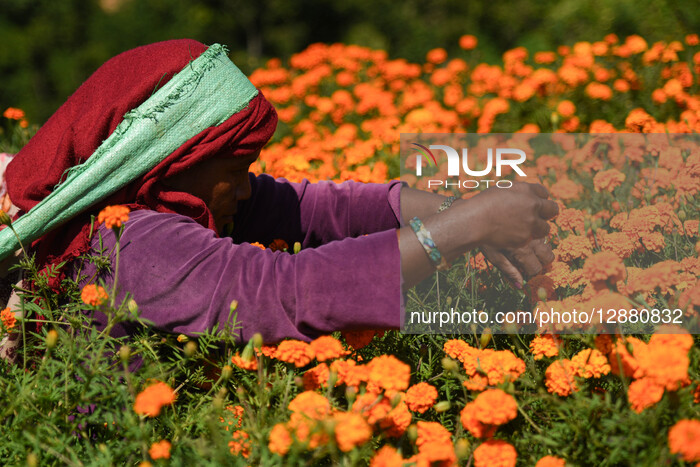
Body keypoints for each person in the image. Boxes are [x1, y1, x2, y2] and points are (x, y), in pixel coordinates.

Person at [0, 39, 557, 349]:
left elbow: (311, 206)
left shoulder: (168, 197)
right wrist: (465, 228)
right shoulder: (125, 241)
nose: (248, 186)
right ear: (168, 162)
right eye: (237, 166)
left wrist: (454, 208)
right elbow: (281, 294)